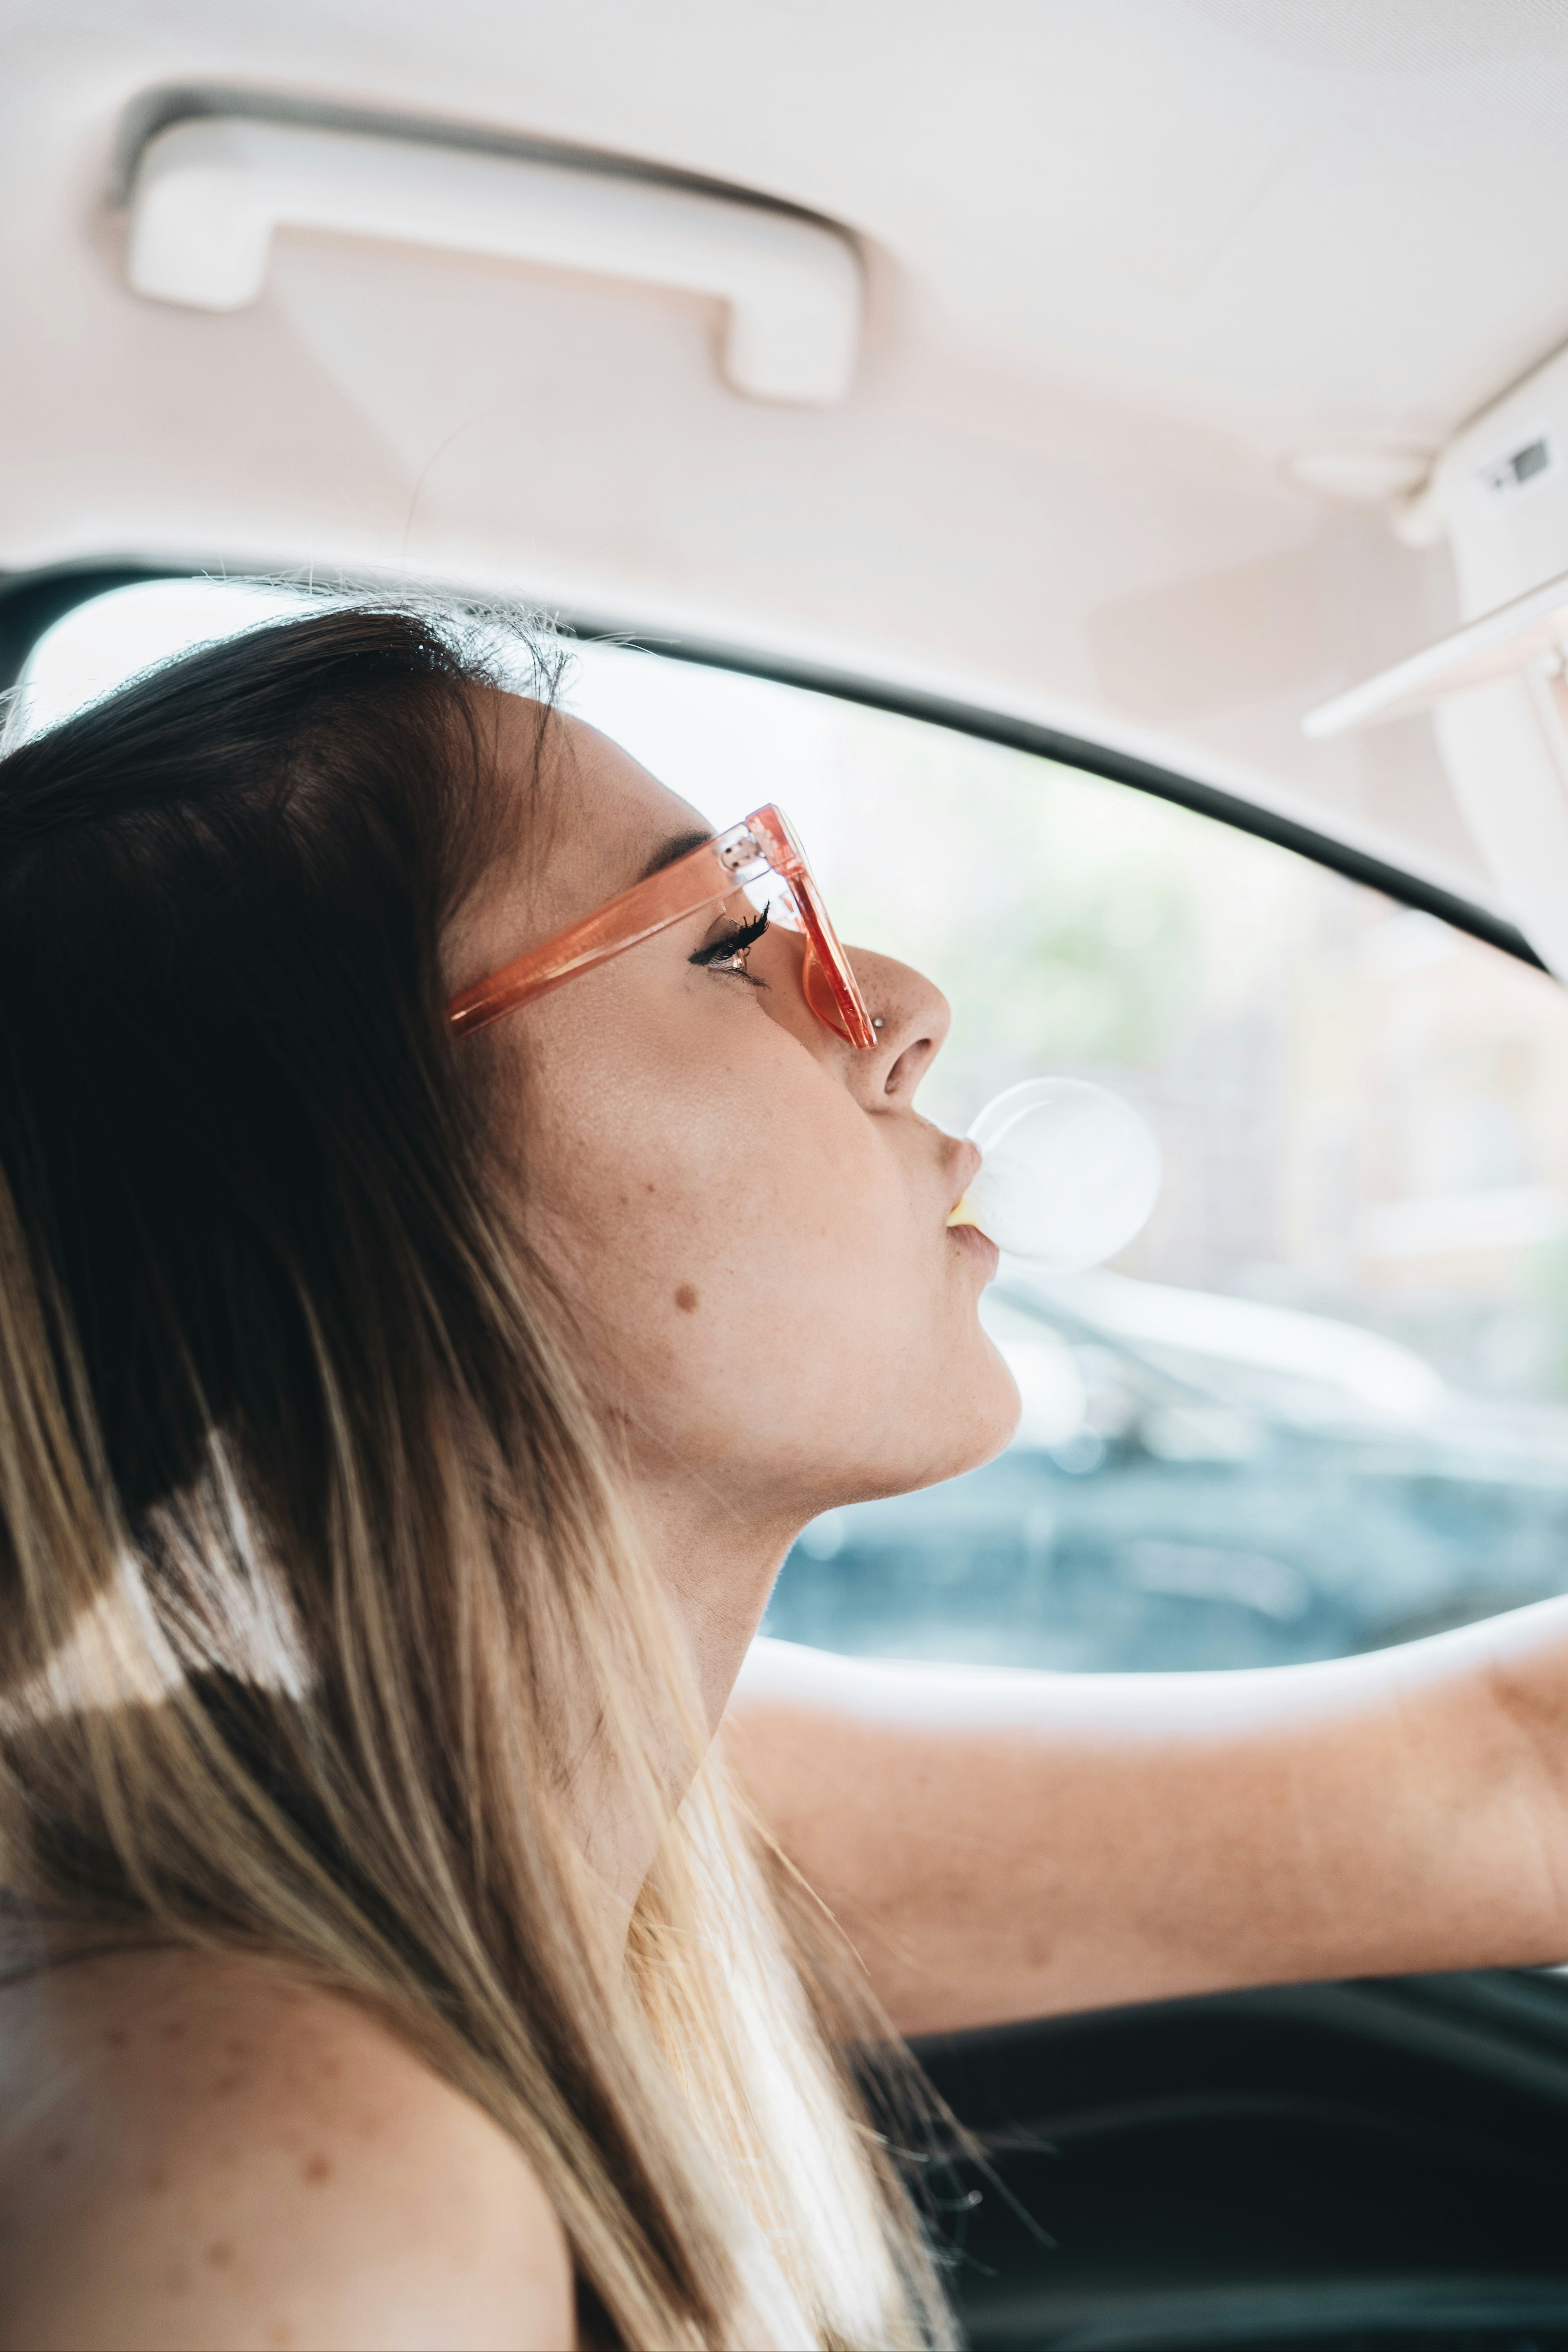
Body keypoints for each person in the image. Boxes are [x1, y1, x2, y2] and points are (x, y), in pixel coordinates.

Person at [0, 603, 1563, 2352]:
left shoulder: (539, 1790)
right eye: (727, 940)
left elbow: (1513, 1780)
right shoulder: (294, 2191)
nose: (896, 1006)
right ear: (333, 1205)